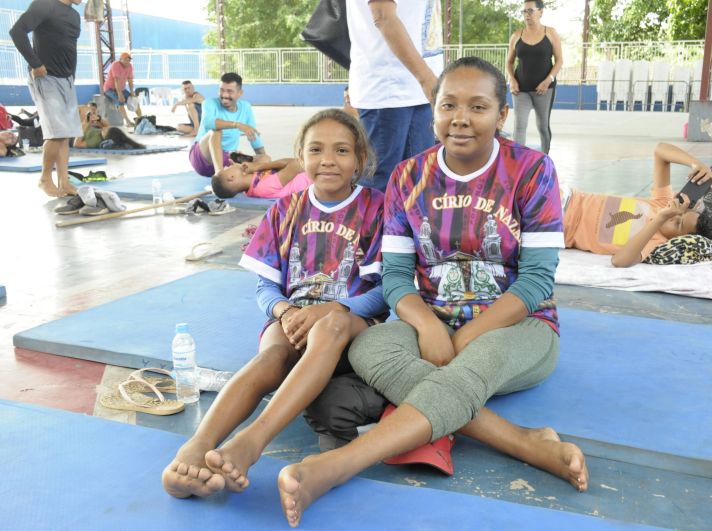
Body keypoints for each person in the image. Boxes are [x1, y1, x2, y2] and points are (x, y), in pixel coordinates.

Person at [273, 57, 588, 527]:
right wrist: (425, 324)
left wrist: (464, 337)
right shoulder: (407, 176)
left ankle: (338, 465)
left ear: (502, 115)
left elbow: (538, 279)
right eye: (448, 105)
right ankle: (521, 441)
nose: (460, 118)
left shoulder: (532, 170)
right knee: (369, 344)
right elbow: (397, 276)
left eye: (478, 106)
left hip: (521, 325)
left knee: (475, 363)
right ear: (434, 112)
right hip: (431, 320)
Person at [162, 108, 389, 498]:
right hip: (293, 320)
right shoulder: (285, 209)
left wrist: (334, 309)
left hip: (349, 324)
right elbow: (265, 288)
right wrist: (285, 311)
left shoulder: (376, 207)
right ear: (301, 156)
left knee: (331, 327)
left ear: (360, 160)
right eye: (316, 150)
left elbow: (383, 291)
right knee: (269, 359)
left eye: (342, 151)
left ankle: (252, 441)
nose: (328, 160)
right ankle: (196, 448)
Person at [563, 142, 712, 267]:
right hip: (570, 196)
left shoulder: (655, 241)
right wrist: (696, 164)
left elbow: (619, 261)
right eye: (682, 212)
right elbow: (660, 150)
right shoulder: (663, 202)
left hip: (560, 225)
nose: (674, 214)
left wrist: (660, 218)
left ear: (678, 240)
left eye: (678, 223)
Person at [347, 0, 444, 190]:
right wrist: (427, 79)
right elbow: (383, 17)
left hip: (416, 90)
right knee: (379, 187)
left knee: (419, 184)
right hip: (389, 90)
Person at [9, 0, 83, 197]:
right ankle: (44, 179)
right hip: (46, 77)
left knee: (65, 134)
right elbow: (17, 31)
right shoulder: (45, 4)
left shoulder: (74, 15)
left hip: (66, 79)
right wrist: (35, 64)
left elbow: (70, 47)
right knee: (57, 133)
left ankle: (64, 182)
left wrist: (71, 76)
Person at [505, 0, 563, 153]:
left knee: (542, 126)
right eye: (524, 11)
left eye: (530, 11)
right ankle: (518, 163)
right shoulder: (517, 35)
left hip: (544, 90)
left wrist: (547, 80)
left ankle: (545, 159)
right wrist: (512, 79)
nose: (526, 15)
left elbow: (559, 61)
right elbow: (509, 63)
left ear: (541, 12)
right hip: (520, 90)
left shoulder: (550, 33)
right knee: (519, 125)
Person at [190, 72, 266, 177]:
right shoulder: (209, 103)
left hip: (227, 158)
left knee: (265, 159)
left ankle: (226, 173)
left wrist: (263, 159)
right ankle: (219, 176)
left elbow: (253, 134)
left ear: (240, 93)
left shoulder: (245, 107)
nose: (225, 95)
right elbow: (208, 123)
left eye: (230, 91)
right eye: (222, 90)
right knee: (215, 131)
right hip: (202, 158)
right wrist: (237, 124)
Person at [211, 157, 312, 199]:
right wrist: (258, 166)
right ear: (231, 177)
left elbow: (265, 157)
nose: (227, 166)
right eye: (226, 169)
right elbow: (297, 163)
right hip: (316, 178)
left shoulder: (252, 181)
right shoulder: (262, 186)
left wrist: (251, 164)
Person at [103, 52, 141, 127]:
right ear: (120, 59)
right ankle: (128, 121)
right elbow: (116, 81)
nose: (127, 62)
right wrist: (120, 95)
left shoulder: (130, 66)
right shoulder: (115, 65)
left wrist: (132, 93)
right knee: (120, 102)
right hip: (110, 89)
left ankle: (141, 118)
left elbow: (130, 80)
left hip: (122, 88)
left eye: (129, 60)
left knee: (134, 100)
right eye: (125, 60)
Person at [73, 111, 145, 150]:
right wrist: (98, 118)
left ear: (107, 136)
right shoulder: (101, 132)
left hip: (71, 135)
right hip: (77, 127)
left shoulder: (95, 140)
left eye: (107, 129)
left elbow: (76, 145)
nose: (106, 127)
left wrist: (85, 124)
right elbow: (106, 125)